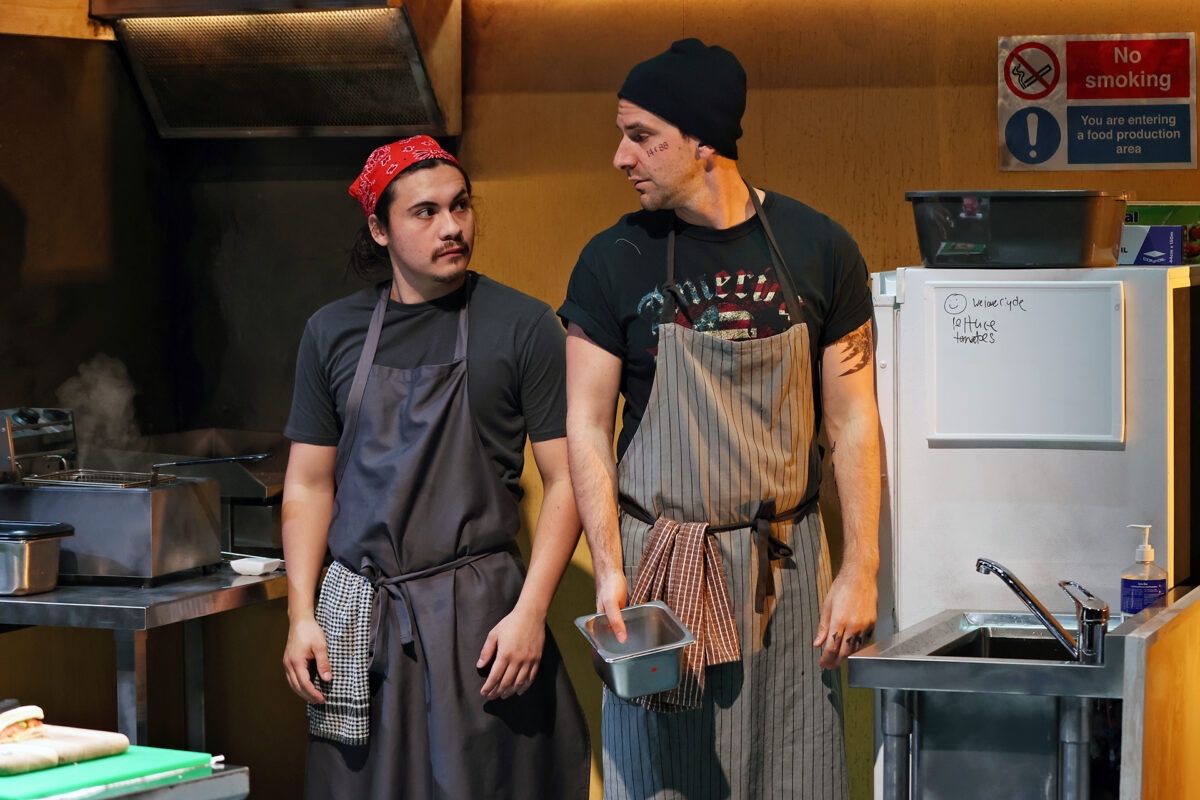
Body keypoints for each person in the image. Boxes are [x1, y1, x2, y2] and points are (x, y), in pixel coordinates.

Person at [559, 39, 881, 799]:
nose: (620, 156)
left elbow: (853, 422)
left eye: (642, 136)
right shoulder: (612, 262)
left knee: (795, 771)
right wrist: (609, 567)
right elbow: (585, 427)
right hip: (662, 574)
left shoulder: (818, 248)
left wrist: (862, 566)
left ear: (704, 142)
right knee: (667, 779)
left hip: (789, 564)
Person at [281, 136, 590, 799]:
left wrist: (531, 612)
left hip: (481, 624)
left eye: (460, 206)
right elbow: (307, 485)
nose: (451, 227)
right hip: (359, 623)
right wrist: (301, 616)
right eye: (424, 212)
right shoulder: (331, 332)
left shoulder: (523, 325)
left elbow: (569, 480)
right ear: (379, 229)